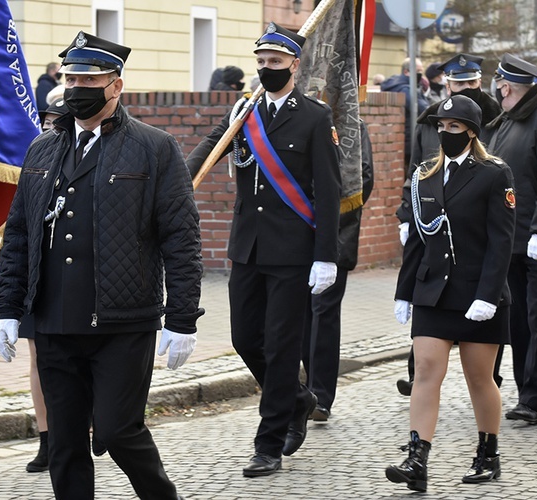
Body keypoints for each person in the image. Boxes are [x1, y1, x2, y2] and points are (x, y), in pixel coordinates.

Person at [0, 31, 203, 500]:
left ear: (116, 86)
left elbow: (180, 236)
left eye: (89, 78)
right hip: (53, 319)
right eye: (70, 78)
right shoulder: (42, 149)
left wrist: (183, 316)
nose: (76, 88)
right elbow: (20, 232)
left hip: (121, 321)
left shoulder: (155, 147)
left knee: (117, 429)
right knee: (64, 442)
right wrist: (7, 307)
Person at [187, 22, 341, 477]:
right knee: (243, 338)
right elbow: (209, 148)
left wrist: (326, 254)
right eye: (261, 62)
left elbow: (329, 192)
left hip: (293, 251)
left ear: (295, 64)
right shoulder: (244, 109)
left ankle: (268, 442)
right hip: (248, 247)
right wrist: (175, 185)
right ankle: (298, 400)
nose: (266, 69)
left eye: (275, 62)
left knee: (280, 347)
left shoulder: (315, 117)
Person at [387, 95, 515, 492]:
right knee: (426, 370)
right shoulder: (424, 173)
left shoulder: (495, 174)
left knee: (479, 377)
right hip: (433, 289)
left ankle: (487, 454)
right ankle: (417, 459)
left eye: (454, 127)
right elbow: (417, 239)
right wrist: (404, 292)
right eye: (441, 127)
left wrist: (488, 295)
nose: (445, 133)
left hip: (477, 292)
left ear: (471, 131)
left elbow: (501, 241)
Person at [395, 53, 504, 396]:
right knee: (428, 363)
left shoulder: (496, 119)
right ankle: (417, 383)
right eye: (457, 83)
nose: (464, 89)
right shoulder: (430, 121)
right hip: (433, 248)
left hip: (475, 245)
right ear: (446, 83)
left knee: (480, 373)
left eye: (470, 83)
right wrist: (406, 215)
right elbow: (414, 171)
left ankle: (489, 429)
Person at [488, 54, 537, 425]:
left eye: (499, 87)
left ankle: (535, 396)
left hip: (536, 239)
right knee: (521, 321)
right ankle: (529, 391)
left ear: (506, 86)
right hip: (512, 238)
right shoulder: (509, 120)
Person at [302, 120, 374, 421]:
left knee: (323, 314)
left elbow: (363, 177)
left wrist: (332, 213)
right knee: (299, 316)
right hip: (296, 232)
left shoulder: (351, 125)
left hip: (336, 232)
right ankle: (302, 390)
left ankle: (320, 395)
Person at [16, 97, 69, 474]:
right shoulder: (37, 154)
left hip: (79, 276)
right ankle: (47, 436)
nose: (49, 129)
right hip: (40, 273)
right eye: (46, 121)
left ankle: (87, 427)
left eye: (57, 122)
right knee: (38, 358)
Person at [381, 58, 428, 167]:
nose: (421, 75)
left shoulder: (397, 85)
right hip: (409, 142)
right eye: (418, 71)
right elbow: (424, 109)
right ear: (407, 72)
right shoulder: (406, 89)